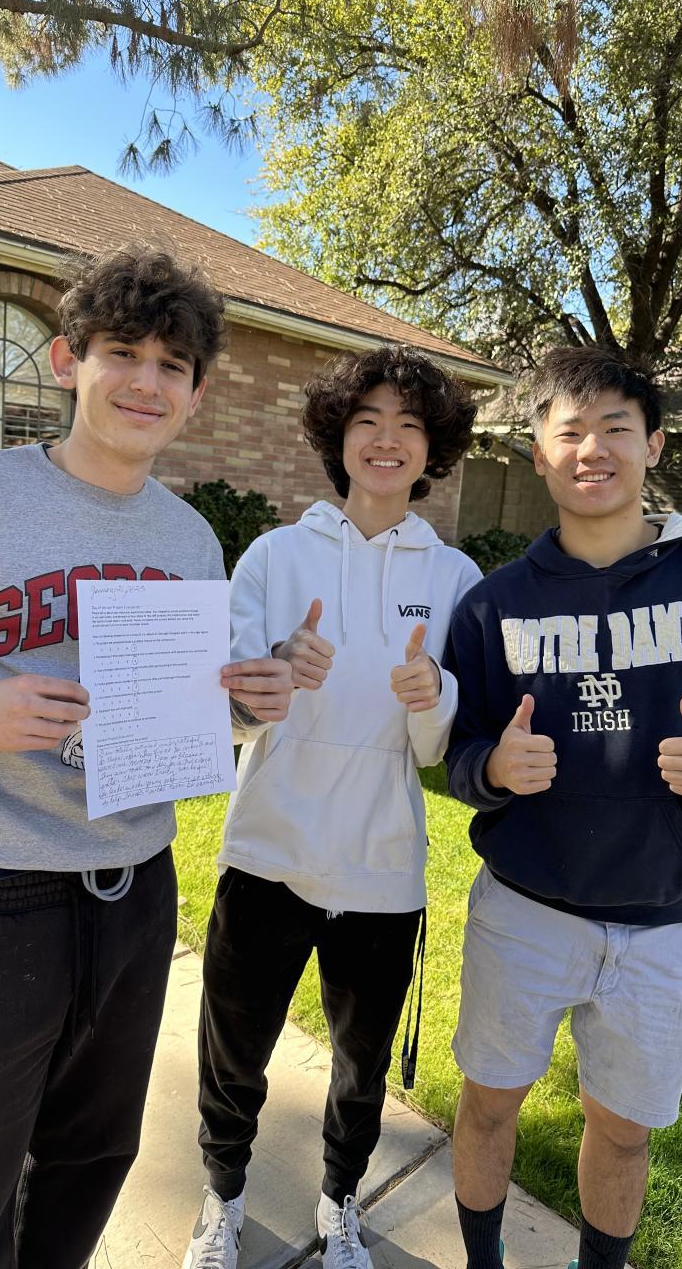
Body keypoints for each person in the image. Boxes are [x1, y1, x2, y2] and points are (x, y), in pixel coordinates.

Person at [0, 245, 293, 1269]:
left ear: (196, 394)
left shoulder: (188, 539)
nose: (147, 380)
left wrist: (243, 705)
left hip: (136, 894)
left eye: (173, 364)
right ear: (66, 361)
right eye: (122, 352)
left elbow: (178, 719)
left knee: (92, 1161)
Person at [442, 346, 682, 1269]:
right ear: (538, 454)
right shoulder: (494, 605)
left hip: (662, 926)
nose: (592, 450)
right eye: (569, 431)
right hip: (523, 913)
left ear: (654, 444)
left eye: (616, 428)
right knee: (487, 1106)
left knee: (624, 1132)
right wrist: (495, 768)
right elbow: (459, 752)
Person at [182, 346, 482, 1269]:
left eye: (409, 425)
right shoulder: (276, 556)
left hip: (381, 869)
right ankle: (222, 1197)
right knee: (234, 1054)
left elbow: (438, 749)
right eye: (368, 420)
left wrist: (435, 691)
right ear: (337, 437)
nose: (387, 440)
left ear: (431, 449)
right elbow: (226, 713)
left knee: (361, 1068)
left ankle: (339, 1202)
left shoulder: (456, 578)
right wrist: (270, 672)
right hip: (267, 853)